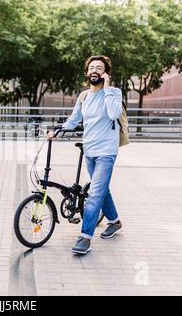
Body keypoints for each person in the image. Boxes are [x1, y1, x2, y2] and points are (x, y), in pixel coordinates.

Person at [47, 55, 123, 255]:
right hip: (89, 150)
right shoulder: (84, 96)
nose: (95, 71)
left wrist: (106, 88)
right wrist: (58, 130)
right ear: (87, 72)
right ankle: (114, 222)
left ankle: (85, 237)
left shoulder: (114, 92)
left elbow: (114, 114)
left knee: (94, 194)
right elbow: (74, 120)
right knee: (102, 190)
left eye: (100, 68)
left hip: (106, 152)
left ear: (106, 73)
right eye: (92, 68)